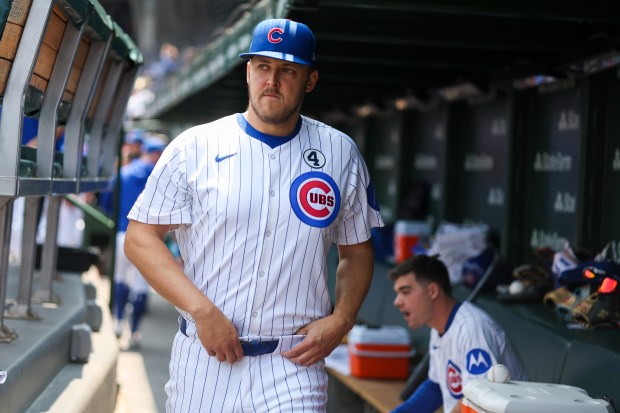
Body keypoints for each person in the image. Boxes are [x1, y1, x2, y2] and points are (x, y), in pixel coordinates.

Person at [124, 18, 383, 412]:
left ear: (310, 80)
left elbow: (358, 251)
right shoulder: (195, 145)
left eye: (288, 70)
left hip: (293, 361)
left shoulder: (340, 152)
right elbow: (141, 238)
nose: (272, 80)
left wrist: (343, 318)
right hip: (204, 357)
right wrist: (201, 310)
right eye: (262, 67)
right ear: (248, 71)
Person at [390, 254, 527, 413]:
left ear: (432, 291)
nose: (397, 301)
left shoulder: (472, 328)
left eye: (405, 292)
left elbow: (479, 402)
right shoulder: (438, 328)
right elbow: (435, 389)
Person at [113, 137, 166, 348]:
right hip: (148, 239)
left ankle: (117, 323)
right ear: (156, 154)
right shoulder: (159, 177)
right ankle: (134, 332)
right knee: (141, 286)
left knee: (121, 278)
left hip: (121, 234)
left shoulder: (123, 172)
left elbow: (108, 202)